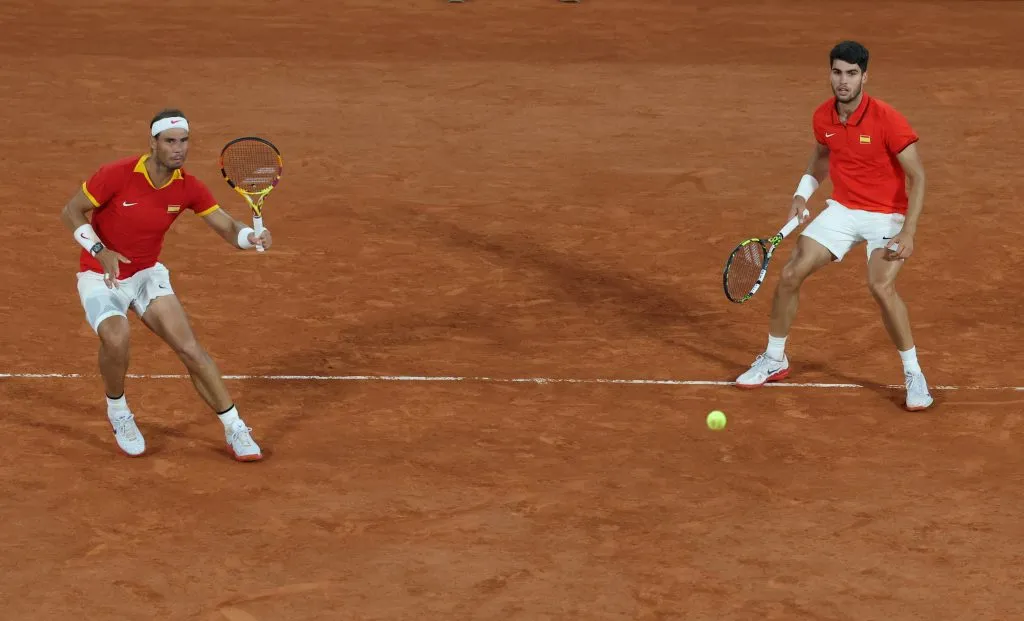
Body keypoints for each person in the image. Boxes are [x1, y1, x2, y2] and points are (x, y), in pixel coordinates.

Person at [60, 108, 272, 459]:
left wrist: (252, 238)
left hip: (146, 275)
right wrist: (100, 250)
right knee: (117, 336)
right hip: (102, 275)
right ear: (153, 143)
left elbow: (226, 227)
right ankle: (119, 411)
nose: (179, 148)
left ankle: (235, 427)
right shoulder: (118, 174)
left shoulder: (188, 187)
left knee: (190, 349)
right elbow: (70, 211)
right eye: (170, 141)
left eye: (184, 141)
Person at [735, 40, 934, 411]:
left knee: (880, 285)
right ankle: (775, 358)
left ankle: (913, 372)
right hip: (844, 209)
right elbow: (822, 156)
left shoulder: (888, 119)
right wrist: (801, 194)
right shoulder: (823, 117)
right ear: (830, 73)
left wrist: (908, 231)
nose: (843, 81)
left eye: (852, 74)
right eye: (838, 72)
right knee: (792, 271)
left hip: (887, 214)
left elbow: (918, 177)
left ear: (864, 77)